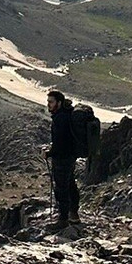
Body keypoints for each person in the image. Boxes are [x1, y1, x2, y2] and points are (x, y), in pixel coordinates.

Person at [42, 89, 80, 229]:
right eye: (48, 102)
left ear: (58, 102)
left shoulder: (60, 118)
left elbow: (59, 143)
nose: (49, 105)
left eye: (51, 102)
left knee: (61, 188)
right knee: (70, 185)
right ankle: (74, 214)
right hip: (70, 157)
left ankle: (63, 220)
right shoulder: (68, 114)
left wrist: (49, 153)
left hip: (62, 159)